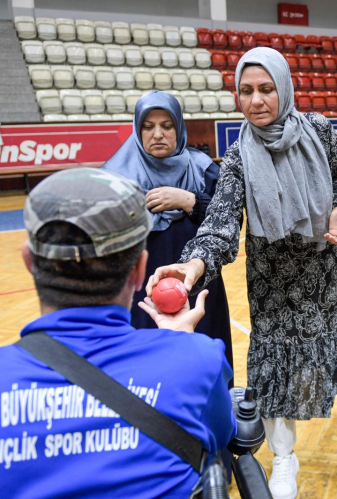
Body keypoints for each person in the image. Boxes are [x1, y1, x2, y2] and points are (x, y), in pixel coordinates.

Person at [146, 47, 337, 499]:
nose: (255, 100)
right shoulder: (238, 158)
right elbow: (220, 223)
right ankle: (284, 457)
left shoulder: (319, 129)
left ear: (284, 88)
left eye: (266, 89)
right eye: (246, 91)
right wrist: (193, 264)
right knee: (274, 371)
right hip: (277, 285)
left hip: (333, 266)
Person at [0, 168, 236, 498]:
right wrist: (180, 346)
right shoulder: (199, 361)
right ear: (139, 269)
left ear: (29, 261)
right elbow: (220, 438)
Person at [101, 91, 232, 369]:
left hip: (198, 285)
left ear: (179, 128)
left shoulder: (205, 170)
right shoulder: (114, 178)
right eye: (148, 127)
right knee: (146, 368)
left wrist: (190, 201)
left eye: (167, 125)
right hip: (141, 291)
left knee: (203, 365)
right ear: (138, 130)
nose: (158, 134)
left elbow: (229, 223)